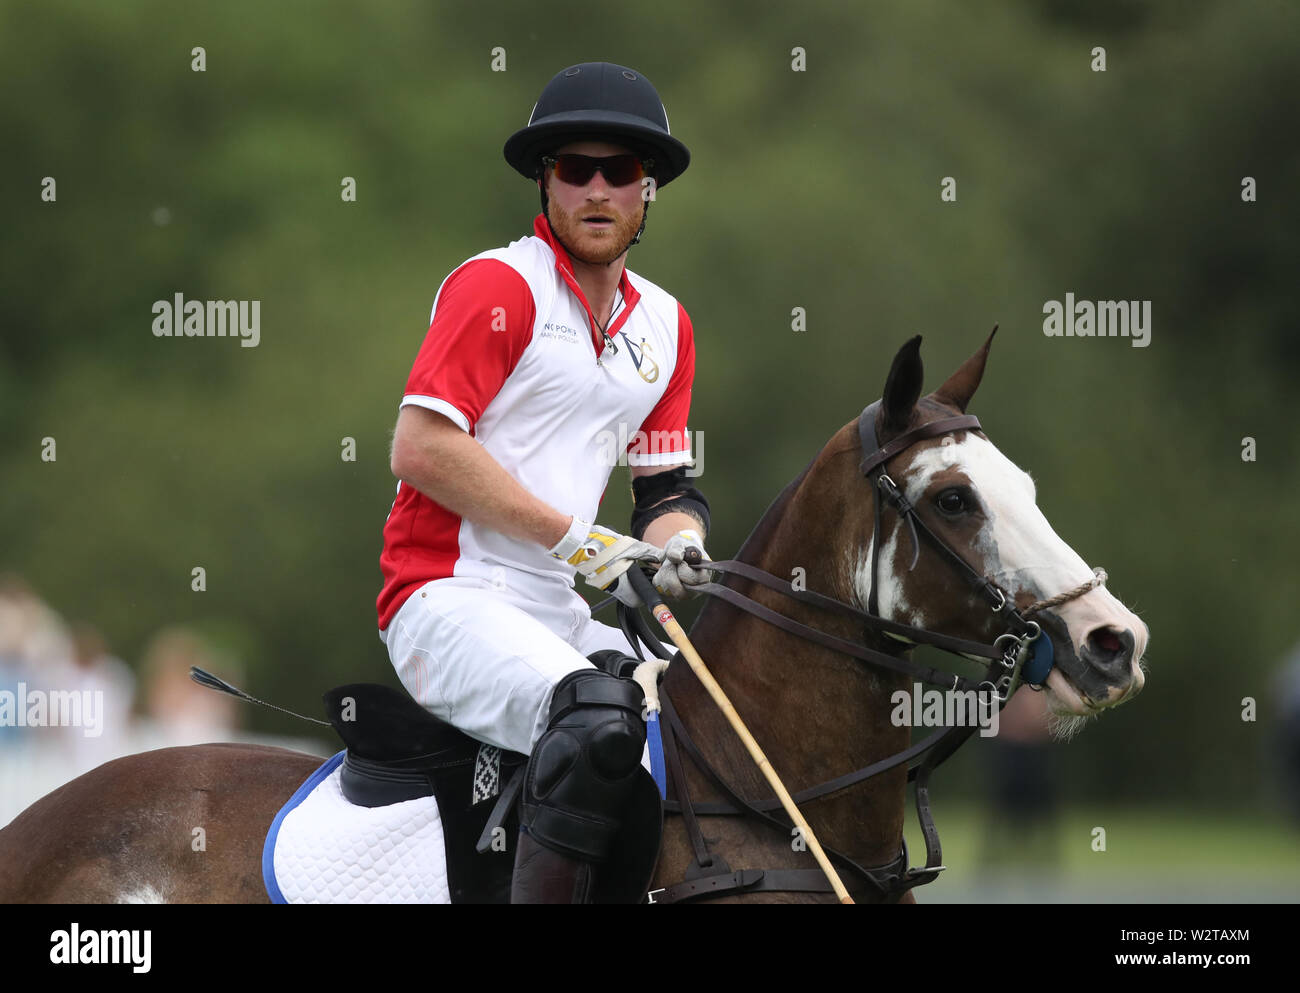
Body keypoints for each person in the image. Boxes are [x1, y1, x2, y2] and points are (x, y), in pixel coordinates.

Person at [377, 62, 712, 902]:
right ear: (547, 182)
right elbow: (420, 447)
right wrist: (576, 539)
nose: (597, 190)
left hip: (556, 608)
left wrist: (681, 550)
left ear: (648, 192)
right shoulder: (500, 286)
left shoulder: (667, 326)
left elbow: (663, 491)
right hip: (441, 597)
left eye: (620, 172)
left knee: (708, 721)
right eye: (576, 169)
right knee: (595, 719)